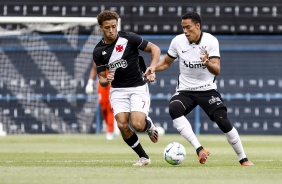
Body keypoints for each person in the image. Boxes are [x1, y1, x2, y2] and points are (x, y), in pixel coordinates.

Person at [148, 11, 254, 166]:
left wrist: (207, 63)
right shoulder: (177, 41)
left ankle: (243, 158)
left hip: (207, 90)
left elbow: (216, 69)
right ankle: (199, 149)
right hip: (185, 90)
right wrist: (152, 68)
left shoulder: (211, 41)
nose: (185, 31)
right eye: (183, 27)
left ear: (198, 26)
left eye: (188, 27)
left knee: (223, 121)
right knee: (174, 109)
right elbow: (165, 63)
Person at [93, 10, 161, 166]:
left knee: (137, 124)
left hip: (137, 87)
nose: (111, 31)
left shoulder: (129, 38)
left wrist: (152, 67)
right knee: (122, 124)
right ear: (101, 28)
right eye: (107, 28)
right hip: (117, 90)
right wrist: (106, 79)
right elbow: (102, 80)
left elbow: (155, 49)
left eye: (113, 26)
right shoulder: (98, 51)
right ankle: (144, 157)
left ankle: (148, 125)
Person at [85, 63, 118, 140]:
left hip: (112, 82)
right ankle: (110, 127)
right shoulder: (98, 52)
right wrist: (90, 82)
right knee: (103, 107)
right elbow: (94, 67)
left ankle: (110, 130)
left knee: (110, 107)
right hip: (102, 82)